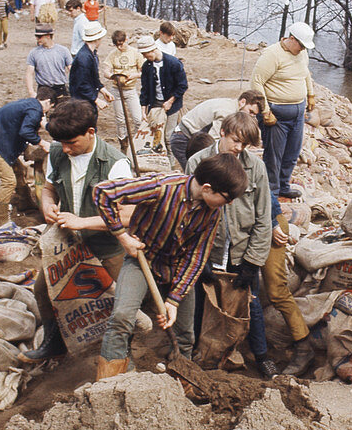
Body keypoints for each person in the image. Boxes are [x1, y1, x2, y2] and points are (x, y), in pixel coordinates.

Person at [91, 153, 248, 378]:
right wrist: (123, 237)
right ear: (207, 188)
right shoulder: (161, 187)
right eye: (227, 197)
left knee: (184, 334)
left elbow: (197, 256)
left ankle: (181, 380)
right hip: (142, 260)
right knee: (122, 317)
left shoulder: (213, 212)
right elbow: (103, 192)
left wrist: (174, 300)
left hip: (177, 269)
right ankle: (109, 380)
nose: (230, 203)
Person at [16, 100, 133, 364]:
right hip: (68, 246)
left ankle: (121, 355)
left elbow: (127, 215)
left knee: (119, 304)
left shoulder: (115, 164)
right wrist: (46, 206)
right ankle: (54, 343)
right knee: (44, 290)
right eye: (61, 142)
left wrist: (84, 222)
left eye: (72, 143)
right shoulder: (58, 152)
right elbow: (49, 189)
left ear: (91, 132)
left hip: (106, 246)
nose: (66, 149)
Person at [185, 113, 279, 378]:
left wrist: (253, 261)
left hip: (240, 250)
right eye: (236, 141)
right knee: (201, 302)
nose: (239, 149)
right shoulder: (197, 162)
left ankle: (261, 356)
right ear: (222, 132)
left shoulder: (255, 168)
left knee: (251, 304)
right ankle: (196, 352)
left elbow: (263, 218)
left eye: (245, 145)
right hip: (208, 248)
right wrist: (197, 258)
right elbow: (187, 214)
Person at [250, 21, 316, 199]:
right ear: (291, 38)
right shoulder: (272, 54)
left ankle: (284, 185)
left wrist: (310, 94)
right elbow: (257, 82)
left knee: (292, 153)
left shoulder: (302, 54)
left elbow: (305, 73)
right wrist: (264, 111)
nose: (303, 49)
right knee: (274, 155)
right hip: (276, 113)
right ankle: (272, 190)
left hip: (297, 113)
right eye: (301, 45)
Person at [0, 94, 55, 227]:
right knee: (9, 180)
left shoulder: (29, 104)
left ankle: (25, 202)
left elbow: (21, 128)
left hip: (1, 140)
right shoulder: (35, 110)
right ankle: (1, 219)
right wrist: (42, 143)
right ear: (48, 102)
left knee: (19, 171)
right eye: (51, 107)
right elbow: (26, 132)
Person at [169, 90, 264, 169]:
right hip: (183, 139)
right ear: (242, 102)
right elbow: (213, 141)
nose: (250, 116)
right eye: (250, 112)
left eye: (254, 115)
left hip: (191, 136)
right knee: (198, 172)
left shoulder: (229, 104)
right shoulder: (227, 112)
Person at [136, 35, 188, 152]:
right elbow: (144, 89)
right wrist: (143, 110)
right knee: (156, 136)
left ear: (153, 50)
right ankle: (159, 162)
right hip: (155, 104)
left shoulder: (173, 63)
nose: (144, 57)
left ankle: (171, 164)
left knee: (168, 137)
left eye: (145, 54)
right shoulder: (146, 66)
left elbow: (182, 85)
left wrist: (170, 101)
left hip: (172, 105)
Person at [104, 30, 144, 151]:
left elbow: (143, 71)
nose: (120, 47)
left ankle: (137, 143)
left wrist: (135, 75)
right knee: (120, 120)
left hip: (131, 89)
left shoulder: (135, 53)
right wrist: (112, 76)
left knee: (138, 119)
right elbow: (106, 70)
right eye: (117, 45)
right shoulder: (113, 54)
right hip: (117, 89)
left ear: (126, 40)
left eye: (122, 43)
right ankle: (123, 143)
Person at [70, 21, 113, 105]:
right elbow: (82, 84)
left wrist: (102, 89)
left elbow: (93, 78)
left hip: (87, 99)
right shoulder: (83, 58)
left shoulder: (92, 54)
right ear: (97, 39)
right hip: (81, 102)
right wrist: (96, 100)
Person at [25, 24, 72, 101]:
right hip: (43, 88)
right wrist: (31, 92)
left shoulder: (63, 51)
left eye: (39, 37)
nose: (37, 39)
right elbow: (29, 73)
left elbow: (71, 69)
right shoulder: (34, 53)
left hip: (61, 87)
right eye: (36, 36)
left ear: (48, 36)